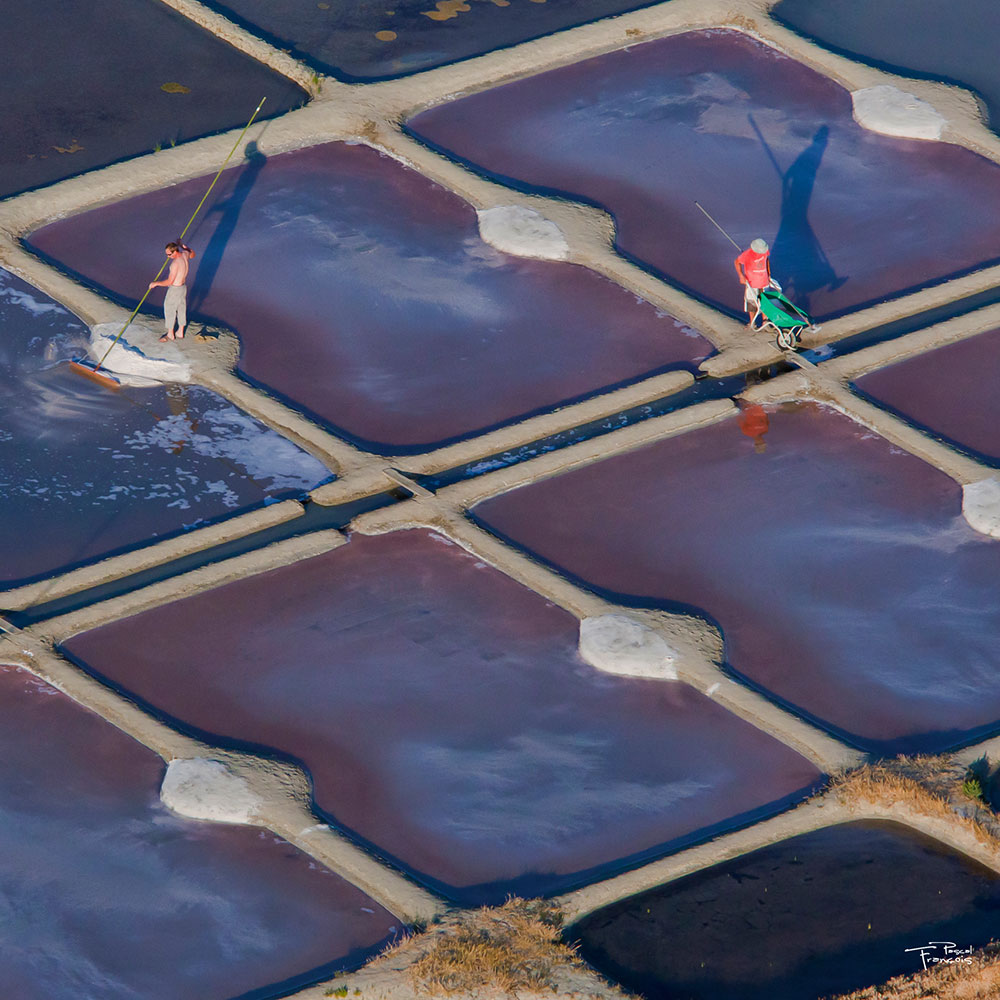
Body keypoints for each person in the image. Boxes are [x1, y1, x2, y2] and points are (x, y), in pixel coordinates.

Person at [149, 241, 196, 341]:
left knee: (170, 309)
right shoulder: (185, 254)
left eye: (169, 254)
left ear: (175, 252)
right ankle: (180, 332)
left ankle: (170, 334)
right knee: (181, 308)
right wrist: (186, 248)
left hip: (175, 289)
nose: (168, 257)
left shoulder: (174, 264)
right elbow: (192, 254)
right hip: (183, 287)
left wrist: (156, 283)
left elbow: (170, 281)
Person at [734, 238, 778, 325]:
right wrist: (741, 276)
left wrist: (769, 275)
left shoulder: (765, 252)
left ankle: (765, 322)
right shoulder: (747, 254)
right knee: (751, 303)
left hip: (764, 282)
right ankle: (752, 322)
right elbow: (736, 262)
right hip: (751, 283)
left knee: (765, 302)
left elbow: (766, 261)